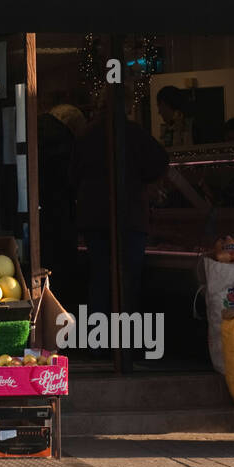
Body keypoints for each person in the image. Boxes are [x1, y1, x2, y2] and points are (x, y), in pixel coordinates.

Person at [72, 110, 170, 319]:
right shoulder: (134, 132)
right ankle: (125, 342)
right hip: (130, 215)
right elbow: (160, 161)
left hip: (94, 217)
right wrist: (141, 181)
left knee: (99, 277)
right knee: (129, 280)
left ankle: (98, 342)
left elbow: (72, 174)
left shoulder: (86, 136)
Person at [37, 104, 85, 278]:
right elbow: (73, 181)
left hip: (37, 215)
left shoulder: (35, 132)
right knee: (65, 275)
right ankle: (74, 306)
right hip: (61, 216)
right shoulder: (67, 143)